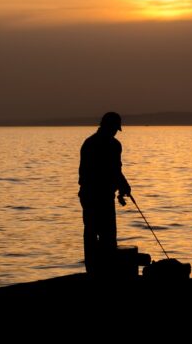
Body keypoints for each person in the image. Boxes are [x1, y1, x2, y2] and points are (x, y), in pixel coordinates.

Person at [78, 111, 131, 274]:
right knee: (104, 235)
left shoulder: (89, 143)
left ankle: (94, 271)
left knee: (93, 233)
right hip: (97, 196)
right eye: (115, 128)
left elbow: (115, 171)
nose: (115, 131)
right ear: (109, 126)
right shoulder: (113, 145)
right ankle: (101, 271)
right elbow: (114, 170)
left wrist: (122, 188)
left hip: (93, 195)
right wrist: (124, 187)